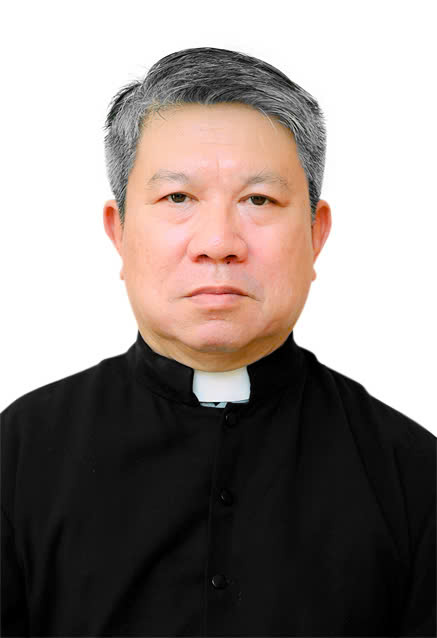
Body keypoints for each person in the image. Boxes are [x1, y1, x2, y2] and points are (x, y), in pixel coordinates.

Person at [1, 46, 435, 638]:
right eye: (178, 198)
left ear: (316, 233)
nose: (218, 243)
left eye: (259, 200)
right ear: (118, 231)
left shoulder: (412, 474)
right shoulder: (19, 456)